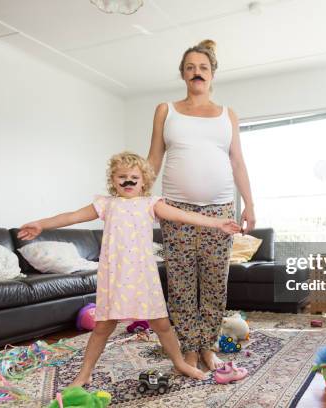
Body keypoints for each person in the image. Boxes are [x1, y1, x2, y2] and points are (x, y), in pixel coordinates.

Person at [17, 152, 240, 385]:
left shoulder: (150, 204)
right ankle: (84, 373)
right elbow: (72, 216)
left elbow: (182, 215)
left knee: (162, 324)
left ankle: (180, 362)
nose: (128, 180)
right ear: (113, 180)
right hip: (115, 277)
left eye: (134, 176)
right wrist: (41, 224)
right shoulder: (105, 204)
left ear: (144, 181)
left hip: (143, 276)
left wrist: (217, 223)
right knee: (103, 327)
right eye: (122, 176)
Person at [147, 39, 256, 371]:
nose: (197, 73)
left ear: (212, 74)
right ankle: (189, 350)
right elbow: (153, 158)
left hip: (220, 211)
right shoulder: (166, 110)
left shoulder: (228, 115)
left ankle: (207, 347)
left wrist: (249, 204)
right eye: (190, 67)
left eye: (203, 68)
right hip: (175, 211)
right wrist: (134, 199)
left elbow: (238, 162)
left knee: (213, 283)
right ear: (183, 74)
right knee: (180, 284)